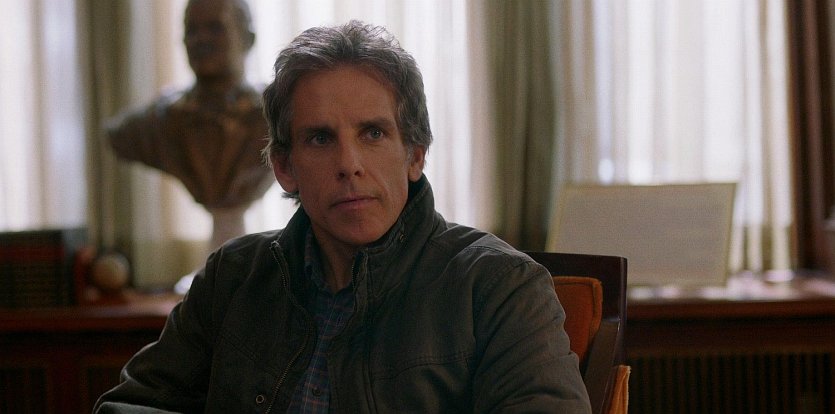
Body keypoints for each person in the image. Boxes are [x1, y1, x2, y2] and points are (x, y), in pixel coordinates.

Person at [95, 20, 591, 413]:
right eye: (320, 138)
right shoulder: (233, 277)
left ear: (415, 154)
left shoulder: (500, 286)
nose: (348, 164)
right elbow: (131, 405)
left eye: (373, 133)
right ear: (284, 168)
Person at [106, 0, 273, 249]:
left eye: (215, 28)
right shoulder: (153, 123)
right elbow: (114, 135)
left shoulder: (275, 117)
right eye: (191, 30)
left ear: (247, 38)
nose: (201, 40)